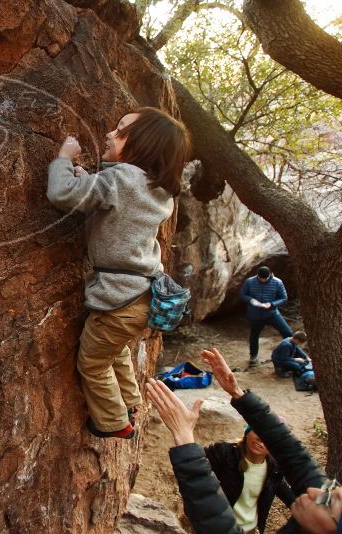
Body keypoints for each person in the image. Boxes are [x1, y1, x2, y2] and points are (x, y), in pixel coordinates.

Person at [47, 107, 190, 439]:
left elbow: (61, 194)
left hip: (118, 298)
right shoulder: (157, 190)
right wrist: (90, 179)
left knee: (94, 362)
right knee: (116, 349)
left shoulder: (122, 178)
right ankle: (130, 401)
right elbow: (113, 202)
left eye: (121, 130)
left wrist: (63, 159)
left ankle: (114, 423)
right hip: (141, 298)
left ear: (143, 146)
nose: (110, 133)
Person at [147, 347, 341, 534]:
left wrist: (185, 439)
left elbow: (218, 525)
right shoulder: (226, 452)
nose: (314, 491)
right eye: (334, 490)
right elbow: (293, 454)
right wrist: (237, 393)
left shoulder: (272, 469)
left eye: (328, 502)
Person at [205, 425, 295, 533]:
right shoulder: (224, 453)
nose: (261, 438)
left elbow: (293, 500)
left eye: (269, 436)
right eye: (258, 430)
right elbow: (192, 466)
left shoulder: (273, 470)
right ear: (247, 433)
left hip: (250, 530)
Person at [240, 266, 292, 367]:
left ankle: (289, 355)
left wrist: (272, 304)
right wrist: (251, 300)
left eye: (265, 279)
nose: (263, 280)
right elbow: (242, 294)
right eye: (260, 279)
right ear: (257, 275)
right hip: (255, 314)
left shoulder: (277, 282)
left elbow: (284, 297)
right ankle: (253, 357)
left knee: (287, 332)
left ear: (270, 275)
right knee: (254, 335)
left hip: (272, 313)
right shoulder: (250, 281)